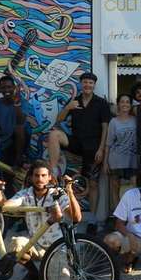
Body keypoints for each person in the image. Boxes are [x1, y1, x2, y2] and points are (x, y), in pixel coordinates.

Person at [0, 161, 81, 280]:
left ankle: (56, 272)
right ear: (31, 177)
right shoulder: (26, 193)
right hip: (35, 244)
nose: (40, 179)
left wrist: (69, 191)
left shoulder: (57, 193)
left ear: (49, 177)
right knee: (16, 244)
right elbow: (6, 206)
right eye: (36, 176)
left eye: (43, 175)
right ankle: (33, 273)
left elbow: (77, 218)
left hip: (57, 248)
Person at [47, 71, 111, 233]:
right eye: (85, 82)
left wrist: (102, 149)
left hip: (94, 146)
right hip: (77, 143)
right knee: (54, 134)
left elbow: (106, 127)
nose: (88, 85)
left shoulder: (101, 103)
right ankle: (53, 170)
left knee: (93, 184)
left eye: (90, 83)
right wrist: (68, 107)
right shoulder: (75, 101)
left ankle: (93, 221)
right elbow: (59, 119)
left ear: (94, 85)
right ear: (81, 84)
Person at [104, 94, 138, 210]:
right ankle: (117, 216)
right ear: (118, 104)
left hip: (132, 160)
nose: (125, 104)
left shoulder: (135, 120)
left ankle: (132, 213)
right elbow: (108, 143)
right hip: (115, 160)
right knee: (115, 188)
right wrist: (105, 162)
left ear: (130, 105)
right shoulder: (113, 122)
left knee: (134, 187)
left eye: (127, 102)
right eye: (122, 102)